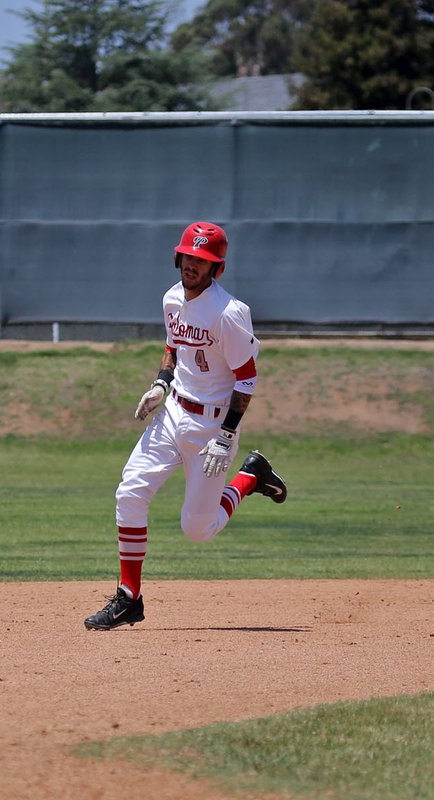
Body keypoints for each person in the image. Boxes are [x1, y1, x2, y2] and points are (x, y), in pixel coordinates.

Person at [85, 221, 288, 631]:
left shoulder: (228, 313)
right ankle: (129, 598)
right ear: (178, 257)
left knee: (197, 529)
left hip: (212, 427)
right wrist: (161, 384)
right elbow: (173, 344)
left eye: (203, 260)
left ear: (217, 269)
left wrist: (227, 435)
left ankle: (249, 477)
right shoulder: (172, 298)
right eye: (188, 257)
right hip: (172, 412)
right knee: (130, 492)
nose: (192, 265)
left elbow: (247, 378)